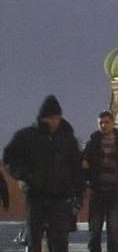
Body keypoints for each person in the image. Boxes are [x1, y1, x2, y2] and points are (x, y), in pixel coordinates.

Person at [2, 95, 83, 252]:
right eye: (49, 118)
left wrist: (78, 194)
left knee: (59, 241)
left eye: (56, 118)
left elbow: (76, 169)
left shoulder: (67, 140)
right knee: (35, 240)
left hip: (60, 197)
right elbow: (9, 158)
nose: (53, 122)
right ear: (43, 118)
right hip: (36, 195)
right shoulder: (28, 137)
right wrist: (24, 175)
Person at [82, 111, 118, 252]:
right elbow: (83, 167)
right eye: (101, 123)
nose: (104, 125)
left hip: (115, 192)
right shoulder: (92, 144)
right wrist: (86, 185)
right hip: (97, 192)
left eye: (106, 122)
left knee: (113, 231)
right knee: (94, 230)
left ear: (113, 123)